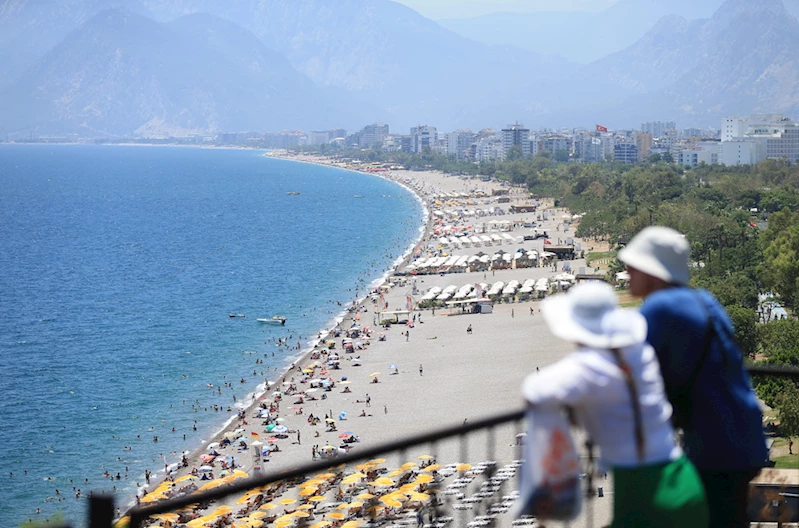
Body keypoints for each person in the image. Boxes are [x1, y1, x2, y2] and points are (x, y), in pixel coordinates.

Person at [523, 282, 707, 527]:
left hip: (644, 492)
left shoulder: (587, 366)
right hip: (682, 477)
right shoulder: (640, 354)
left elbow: (534, 389)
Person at [618, 226, 767, 528]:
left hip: (717, 450)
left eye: (633, 266)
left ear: (653, 272)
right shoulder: (703, 300)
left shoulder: (660, 307)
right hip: (744, 438)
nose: (627, 273)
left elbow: (629, 368)